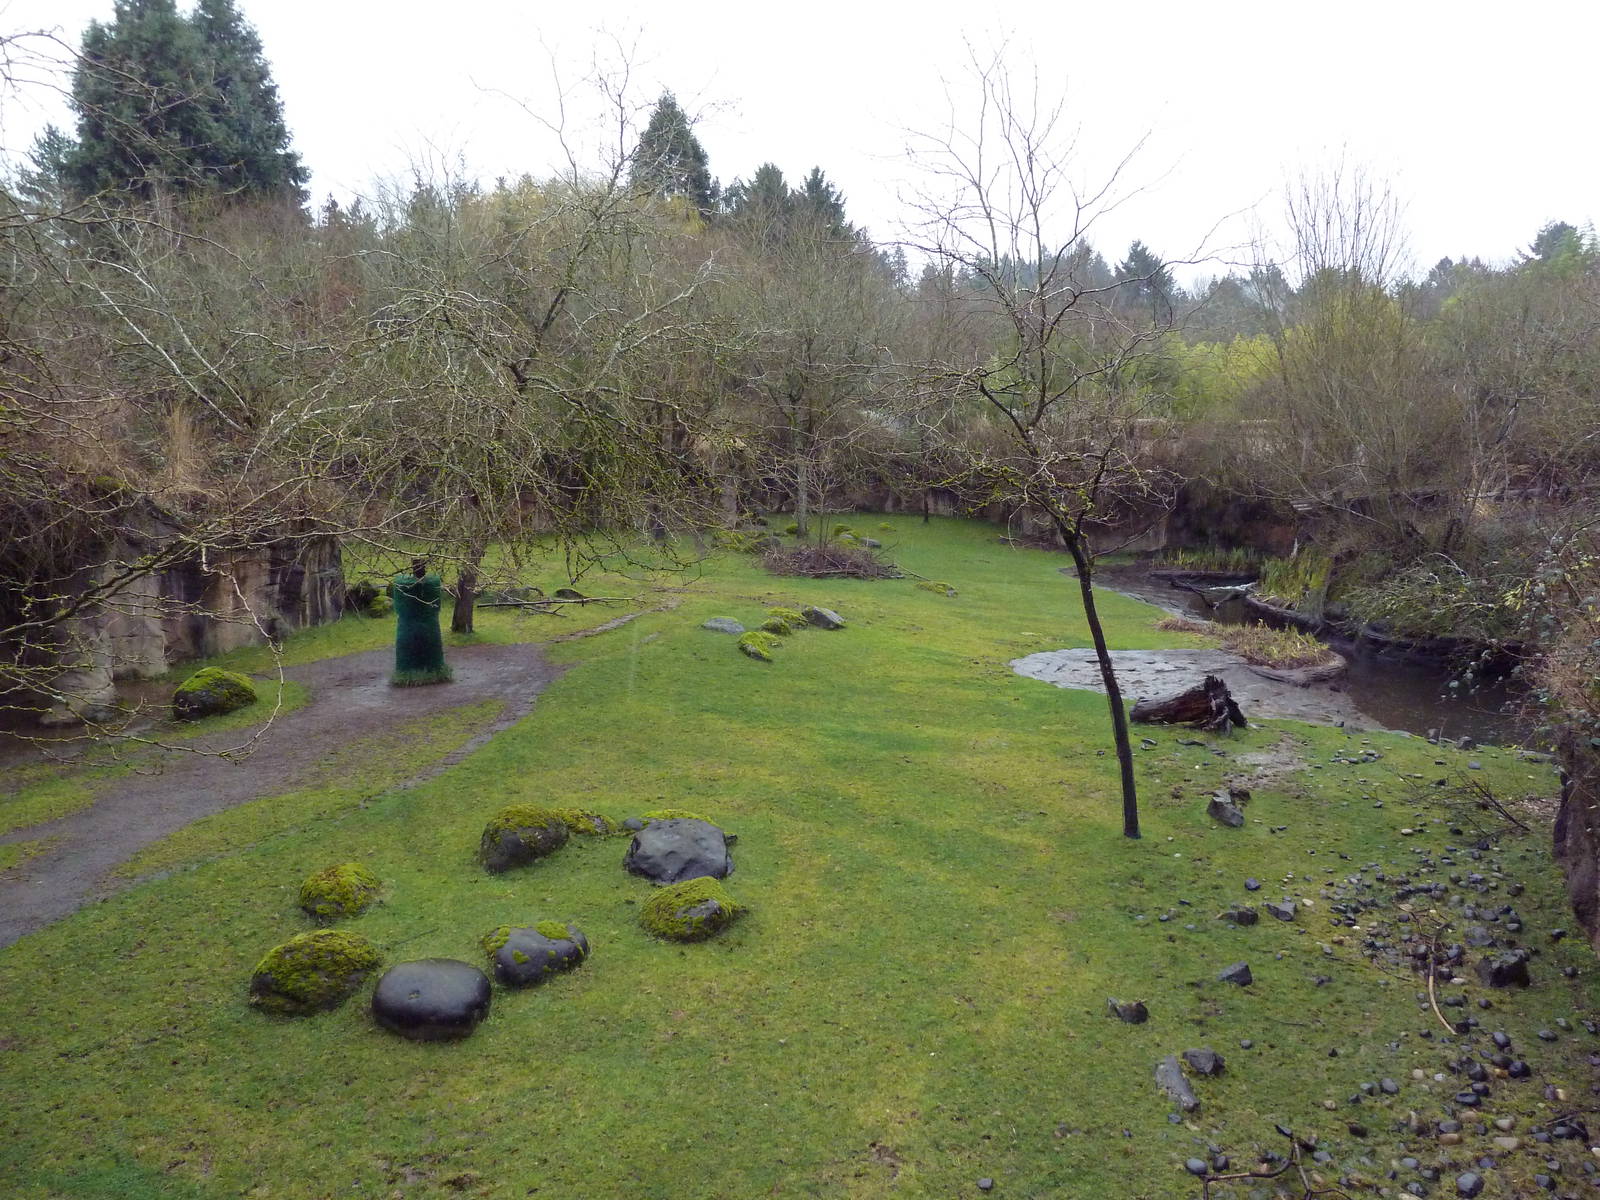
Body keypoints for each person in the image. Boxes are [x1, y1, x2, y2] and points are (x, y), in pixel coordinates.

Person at [389, 558, 451, 685]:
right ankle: (432, 671)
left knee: (412, 651)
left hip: (409, 630)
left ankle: (408, 673)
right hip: (426, 629)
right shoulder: (431, 584)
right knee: (427, 651)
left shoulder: (405, 585)